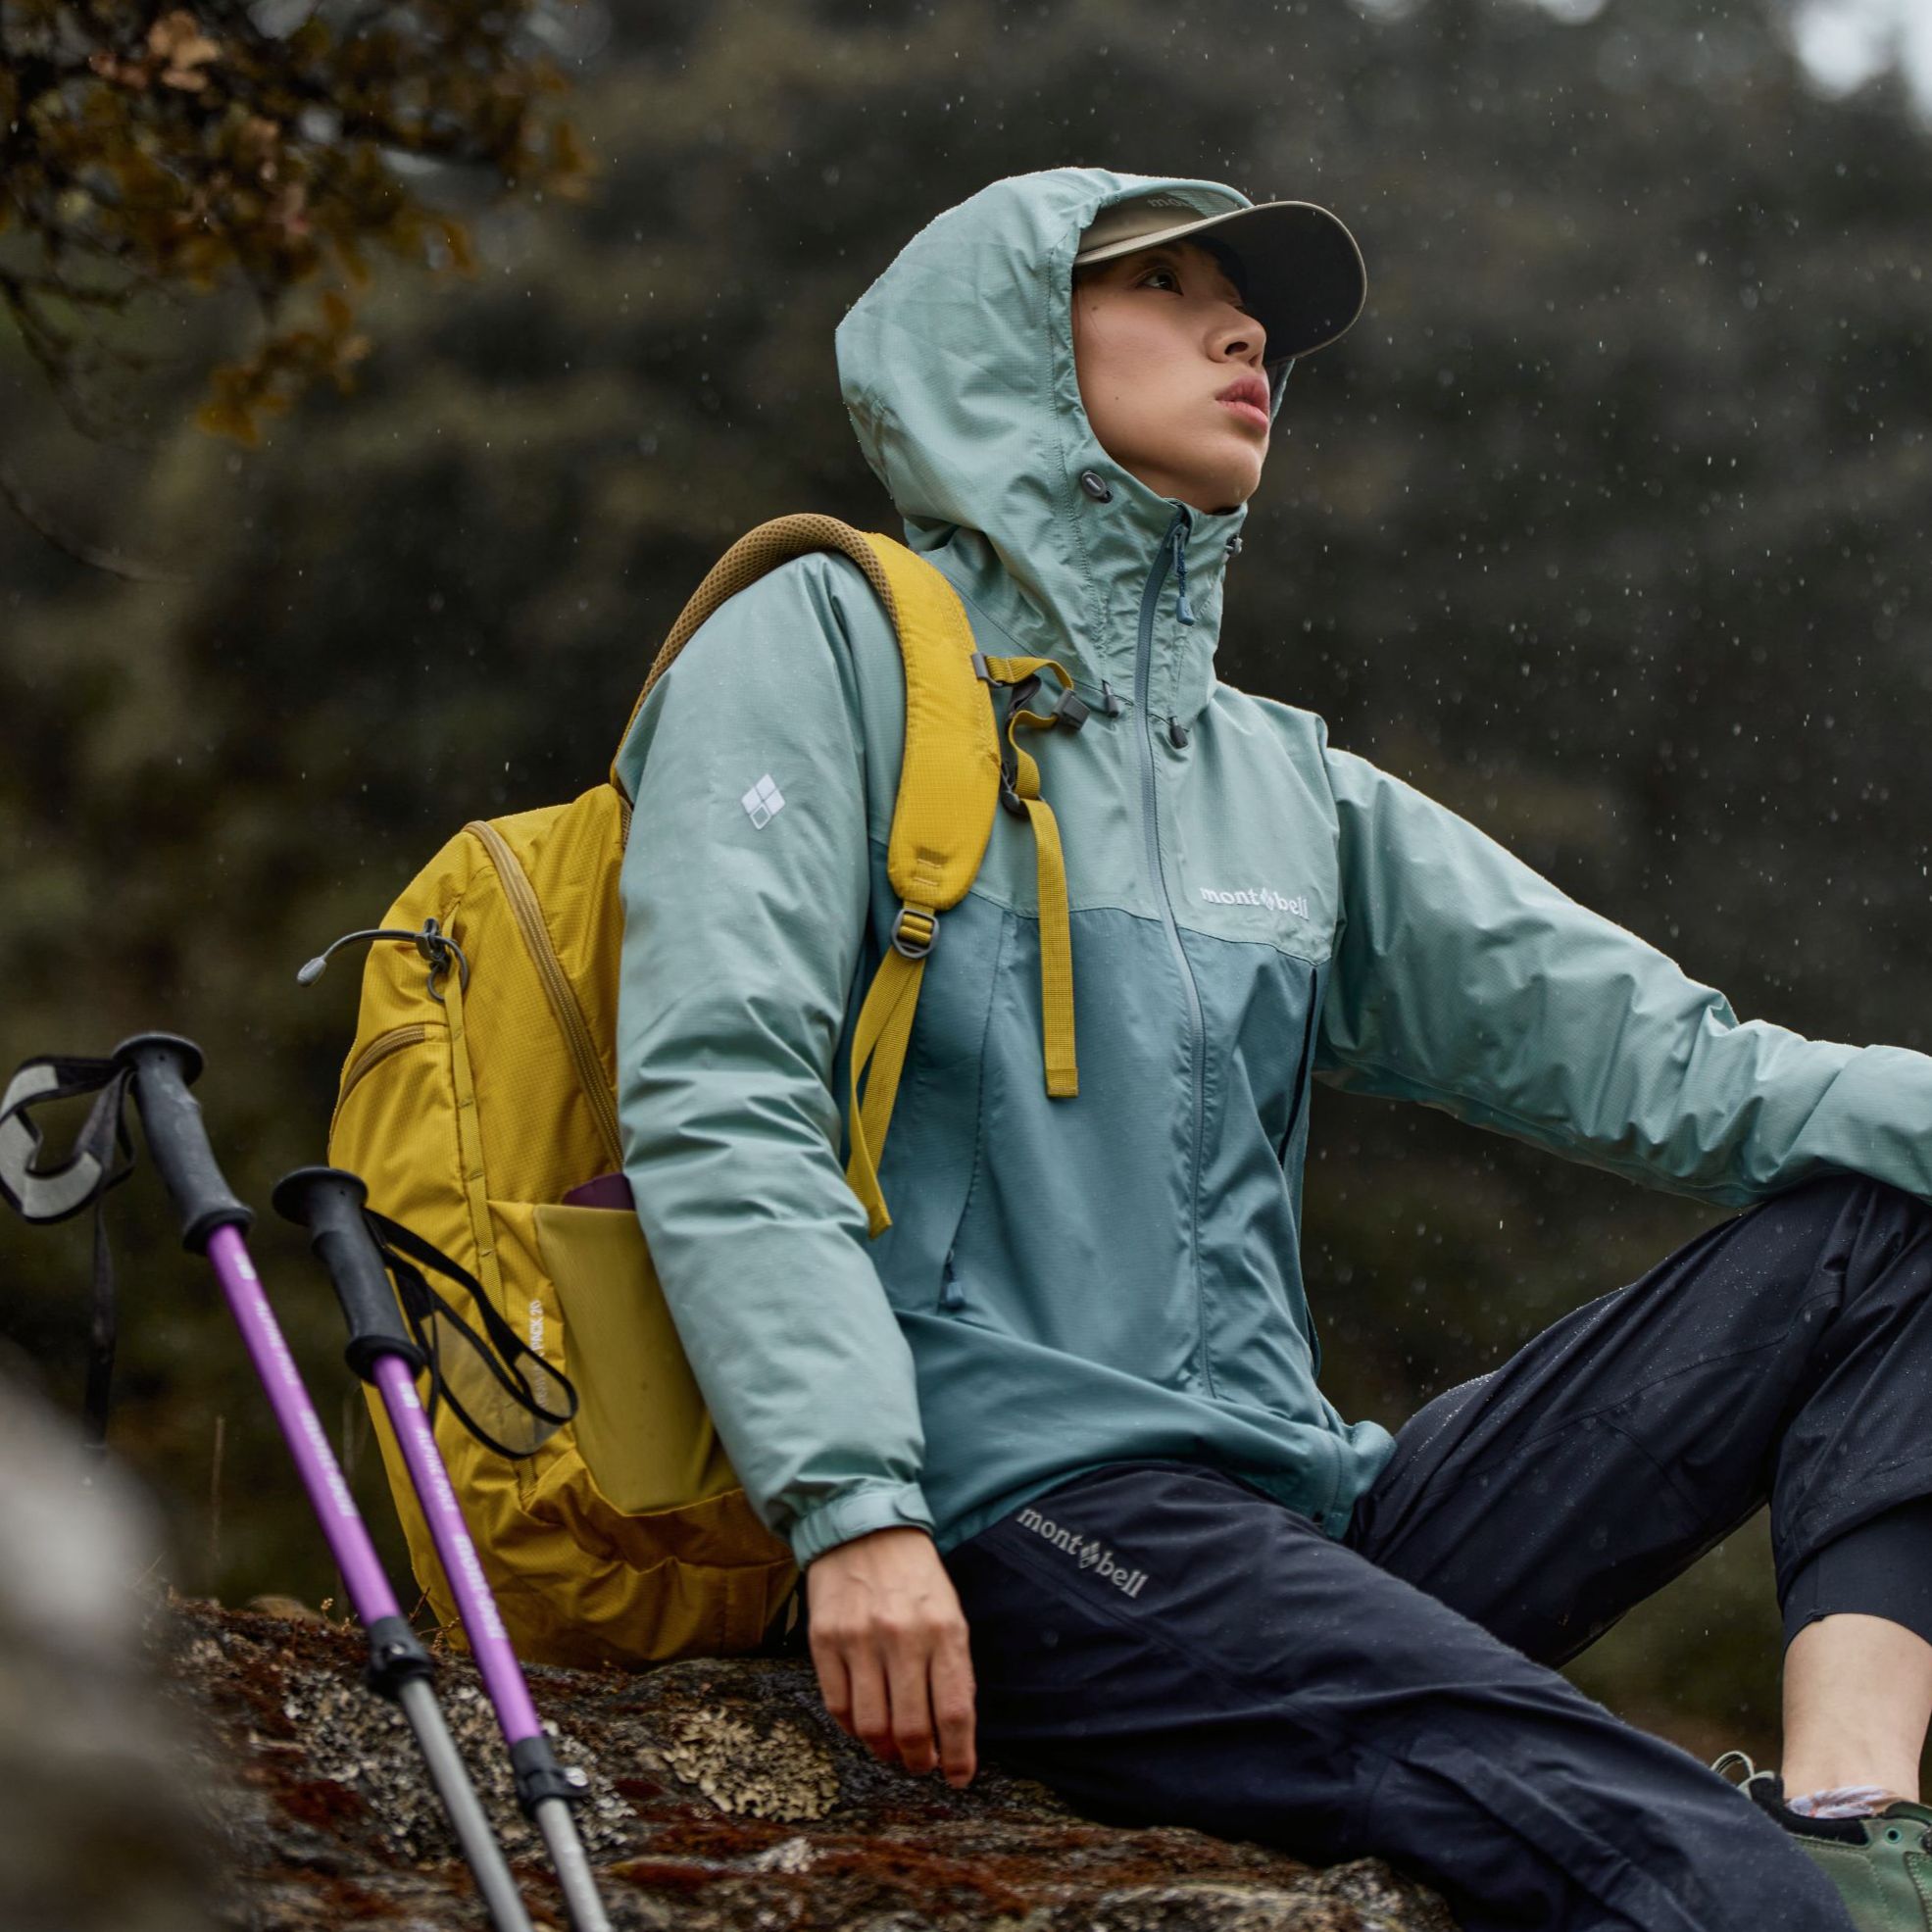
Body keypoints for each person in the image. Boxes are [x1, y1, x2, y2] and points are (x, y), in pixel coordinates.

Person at [613, 166, 1932, 1931]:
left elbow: (1684, 1067)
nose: (1238, 332)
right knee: (1678, 1854)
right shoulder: (822, 646)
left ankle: (1863, 1817)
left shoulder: (1280, 781)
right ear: (1002, 344)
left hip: (1303, 1520)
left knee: (1882, 1229)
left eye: (1243, 309)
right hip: (1020, 1521)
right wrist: (853, 1506)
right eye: (1159, 288)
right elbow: (724, 1091)